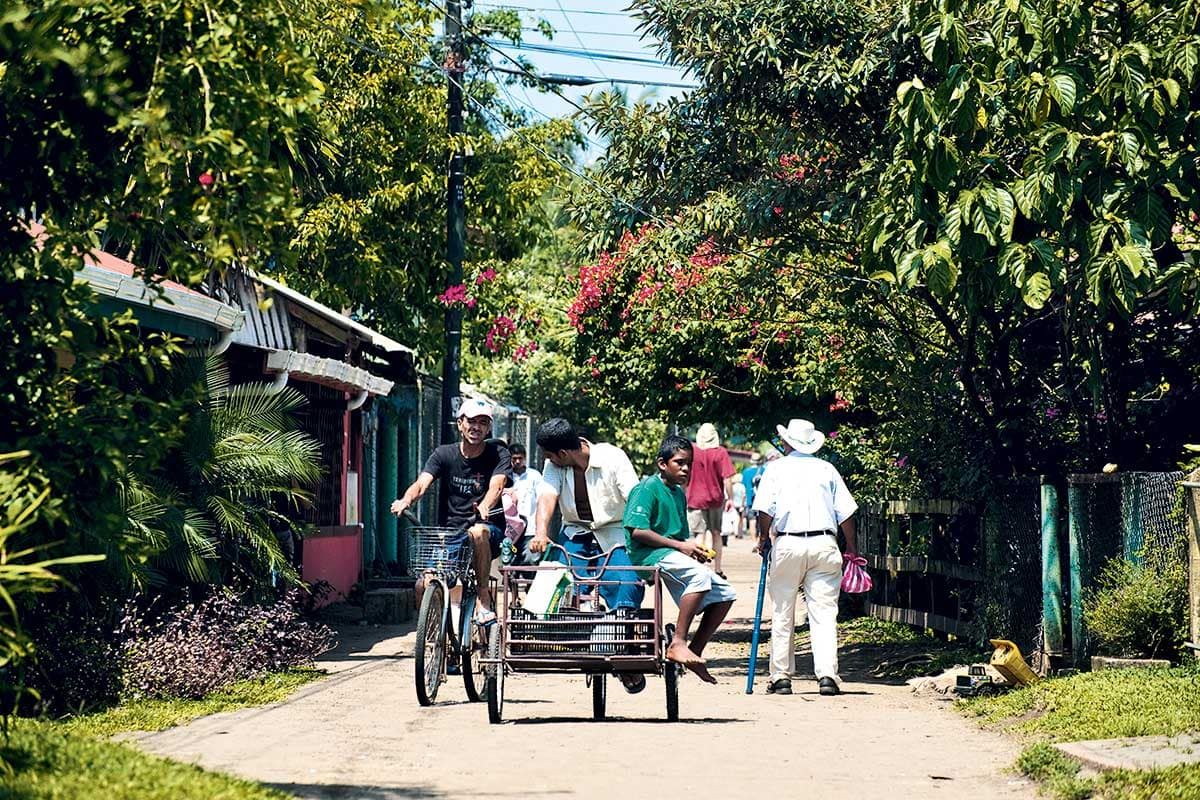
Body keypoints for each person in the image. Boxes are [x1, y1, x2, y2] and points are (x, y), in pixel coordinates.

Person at [530, 418, 647, 692]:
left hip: (616, 533)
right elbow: (547, 498)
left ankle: (621, 650)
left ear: (562, 454)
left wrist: (642, 542)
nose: (547, 460)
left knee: (626, 585)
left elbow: (635, 500)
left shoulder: (613, 458)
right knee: (559, 586)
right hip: (575, 534)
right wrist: (540, 532)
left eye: (549, 455)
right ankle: (578, 642)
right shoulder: (554, 466)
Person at [752, 418, 858, 697]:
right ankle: (827, 675)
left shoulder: (775, 469)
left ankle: (781, 676)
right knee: (824, 612)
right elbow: (846, 512)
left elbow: (764, 509)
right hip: (825, 543)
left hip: (788, 542)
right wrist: (852, 549)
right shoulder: (827, 469)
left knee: (782, 610)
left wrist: (764, 539)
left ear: (787, 442)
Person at [624, 435, 737, 684]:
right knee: (698, 576)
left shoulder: (677, 494)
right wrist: (681, 546)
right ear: (662, 464)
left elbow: (682, 536)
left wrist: (693, 550)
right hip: (647, 555)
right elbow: (637, 531)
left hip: (669, 555)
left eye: (689, 464)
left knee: (726, 592)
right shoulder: (646, 489)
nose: (686, 469)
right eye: (679, 463)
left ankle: (694, 651)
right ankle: (677, 642)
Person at [390, 398, 511, 624]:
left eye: (483, 423)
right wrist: (406, 500)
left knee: (478, 531)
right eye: (472, 421)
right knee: (423, 584)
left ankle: (483, 598)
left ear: (489, 428)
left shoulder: (498, 453)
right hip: (451, 534)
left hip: (488, 529)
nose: (477, 427)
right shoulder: (443, 454)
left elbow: (497, 485)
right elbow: (421, 483)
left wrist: (485, 506)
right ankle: (436, 637)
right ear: (460, 424)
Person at [685, 423, 735, 578]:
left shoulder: (692, 450)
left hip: (694, 497)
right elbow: (727, 479)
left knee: (699, 534)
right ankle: (718, 569)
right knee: (716, 533)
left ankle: (698, 568)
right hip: (715, 498)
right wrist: (730, 498)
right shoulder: (721, 452)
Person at [508, 442, 543, 537]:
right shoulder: (506, 478)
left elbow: (541, 500)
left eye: (520, 458)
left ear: (525, 458)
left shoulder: (534, 476)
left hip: (530, 530)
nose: (518, 461)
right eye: (514, 459)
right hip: (510, 531)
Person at [741, 452, 764, 538]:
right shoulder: (763, 470)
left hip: (750, 499)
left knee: (752, 520)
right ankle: (760, 540)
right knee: (761, 521)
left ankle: (754, 541)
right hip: (762, 500)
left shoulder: (746, 472)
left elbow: (744, 487)